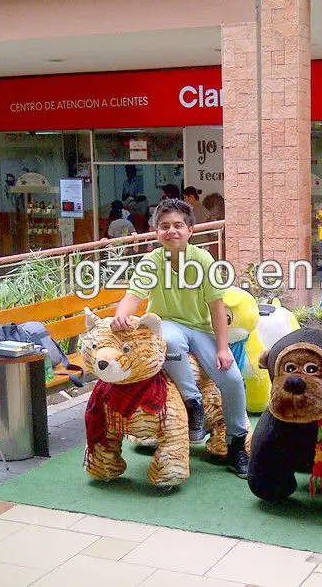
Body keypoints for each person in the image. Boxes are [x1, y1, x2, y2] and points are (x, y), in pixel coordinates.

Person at [110, 198, 249, 478]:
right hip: (168, 324)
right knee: (170, 340)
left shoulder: (203, 260)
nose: (171, 231)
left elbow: (217, 308)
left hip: (200, 328)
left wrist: (223, 348)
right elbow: (133, 297)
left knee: (232, 379)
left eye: (178, 225)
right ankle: (193, 402)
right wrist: (120, 316)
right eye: (164, 226)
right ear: (156, 232)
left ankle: (236, 445)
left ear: (190, 230)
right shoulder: (151, 261)